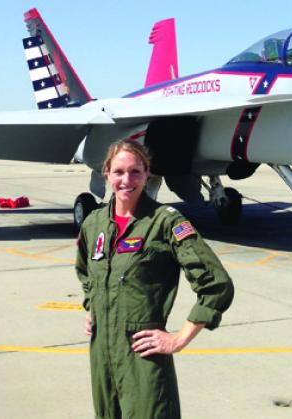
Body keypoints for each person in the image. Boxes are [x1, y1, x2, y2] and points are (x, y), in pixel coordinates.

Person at [75, 139, 234, 419]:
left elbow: (216, 284)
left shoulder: (165, 222)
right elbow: (86, 270)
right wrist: (94, 306)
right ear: (106, 173)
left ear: (147, 173)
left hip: (142, 358)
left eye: (135, 172)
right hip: (102, 356)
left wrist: (178, 339)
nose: (127, 180)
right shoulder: (94, 223)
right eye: (119, 172)